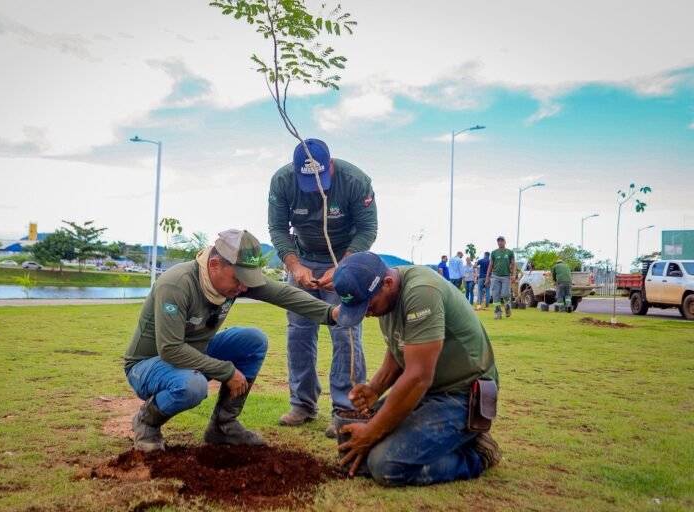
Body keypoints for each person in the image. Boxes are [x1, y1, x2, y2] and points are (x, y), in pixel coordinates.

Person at [124, 229, 340, 452]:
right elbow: (170, 349)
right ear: (215, 264)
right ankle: (147, 422)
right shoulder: (178, 284)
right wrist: (226, 371)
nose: (243, 287)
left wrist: (331, 313)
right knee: (192, 385)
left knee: (253, 341)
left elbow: (285, 294)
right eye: (238, 279)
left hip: (194, 354)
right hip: (149, 365)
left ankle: (222, 426)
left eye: (248, 280)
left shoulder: (234, 281)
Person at [331, 252, 501, 486]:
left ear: (388, 284)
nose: (367, 314)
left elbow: (418, 377)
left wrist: (372, 433)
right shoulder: (386, 296)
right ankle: (449, 440)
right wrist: (375, 388)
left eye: (368, 306)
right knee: (366, 433)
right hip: (430, 390)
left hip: (463, 396)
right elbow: (399, 346)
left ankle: (474, 455)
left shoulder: (421, 293)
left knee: (384, 464)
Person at [268, 138, 377, 437]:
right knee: (298, 334)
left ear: (330, 165)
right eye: (308, 182)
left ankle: (345, 408)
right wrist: (295, 266)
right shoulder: (281, 181)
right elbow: (277, 228)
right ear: (294, 171)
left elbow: (368, 229)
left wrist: (343, 267)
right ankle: (302, 404)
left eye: (320, 180)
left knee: (346, 333)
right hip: (302, 261)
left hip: (344, 262)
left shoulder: (355, 181)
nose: (316, 189)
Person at [485, 236, 516, 320]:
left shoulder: (509, 252)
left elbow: (513, 264)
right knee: (495, 296)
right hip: (495, 276)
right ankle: (498, 313)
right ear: (497, 243)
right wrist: (487, 277)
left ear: (505, 242)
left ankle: (507, 307)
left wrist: (513, 275)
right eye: (498, 241)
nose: (500, 242)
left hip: (506, 277)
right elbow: (490, 265)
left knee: (506, 294)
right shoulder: (494, 253)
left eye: (502, 240)